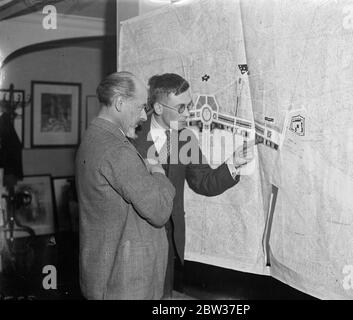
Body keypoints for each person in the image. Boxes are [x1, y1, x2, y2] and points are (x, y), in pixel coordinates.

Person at [132, 73, 254, 298]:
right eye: (181, 108)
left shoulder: (185, 138)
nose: (188, 114)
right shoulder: (131, 136)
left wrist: (233, 164)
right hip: (136, 241)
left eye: (189, 106)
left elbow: (203, 181)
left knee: (165, 298)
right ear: (158, 108)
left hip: (170, 240)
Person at [75, 71, 176, 300]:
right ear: (120, 103)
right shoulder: (117, 149)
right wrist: (158, 172)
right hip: (126, 283)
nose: (143, 116)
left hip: (106, 274)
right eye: (140, 107)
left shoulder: (94, 136)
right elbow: (160, 211)